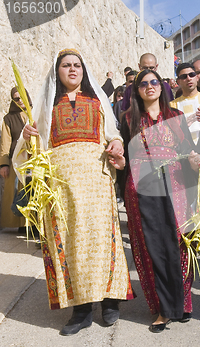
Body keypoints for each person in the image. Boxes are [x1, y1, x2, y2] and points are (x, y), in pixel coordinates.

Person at [16, 48, 135, 336]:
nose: (72, 69)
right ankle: (80, 309)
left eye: (77, 65)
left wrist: (117, 145)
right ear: (57, 71)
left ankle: (109, 301)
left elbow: (113, 134)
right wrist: (25, 135)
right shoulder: (47, 106)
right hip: (61, 187)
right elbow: (30, 144)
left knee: (100, 239)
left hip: (96, 182)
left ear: (84, 70)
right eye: (66, 65)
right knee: (70, 243)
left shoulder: (97, 100)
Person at [120, 69, 200, 333]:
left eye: (154, 82)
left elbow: (188, 152)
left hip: (176, 184)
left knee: (179, 242)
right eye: (143, 84)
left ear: (162, 86)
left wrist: (194, 161)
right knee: (150, 245)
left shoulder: (176, 117)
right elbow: (123, 155)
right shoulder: (129, 118)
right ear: (137, 90)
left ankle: (183, 302)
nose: (149, 87)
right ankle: (162, 308)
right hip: (141, 186)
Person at [0, 87, 31, 231]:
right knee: (18, 191)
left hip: (34, 160)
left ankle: (34, 226)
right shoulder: (9, 119)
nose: (20, 101)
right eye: (16, 99)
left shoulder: (35, 114)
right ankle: (21, 225)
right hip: (16, 161)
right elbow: (5, 143)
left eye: (22, 97)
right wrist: (4, 164)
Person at [170, 63, 200, 144]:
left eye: (192, 75)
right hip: (185, 152)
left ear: (196, 77)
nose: (188, 78)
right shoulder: (172, 106)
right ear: (178, 81)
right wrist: (183, 127)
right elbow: (169, 134)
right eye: (184, 76)